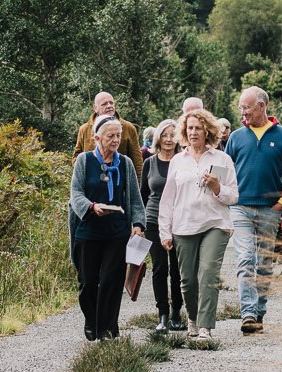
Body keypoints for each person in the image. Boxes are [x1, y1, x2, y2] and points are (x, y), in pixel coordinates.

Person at [226, 85, 282, 335]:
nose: (242, 112)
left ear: (261, 106)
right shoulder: (236, 137)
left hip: (270, 209)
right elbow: (226, 172)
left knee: (264, 263)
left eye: (245, 107)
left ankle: (260, 312)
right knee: (246, 259)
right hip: (240, 208)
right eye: (240, 108)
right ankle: (247, 313)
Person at [159, 107, 237, 339]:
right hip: (184, 226)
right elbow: (167, 200)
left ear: (208, 131)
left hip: (215, 223)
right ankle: (192, 317)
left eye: (198, 128)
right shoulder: (177, 161)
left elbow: (233, 196)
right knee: (188, 280)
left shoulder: (222, 159)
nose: (193, 132)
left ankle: (205, 326)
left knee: (208, 274)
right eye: (190, 128)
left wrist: (217, 187)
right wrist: (165, 231)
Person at [69, 115, 145, 341]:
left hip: (117, 231)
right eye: (110, 136)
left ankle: (108, 329)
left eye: (118, 136)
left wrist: (139, 224)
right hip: (88, 231)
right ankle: (92, 320)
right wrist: (92, 207)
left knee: (112, 281)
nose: (115, 140)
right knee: (88, 282)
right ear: (96, 138)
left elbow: (133, 198)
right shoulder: (84, 161)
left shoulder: (125, 163)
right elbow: (76, 194)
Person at [138, 119, 186, 333]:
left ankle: (177, 311)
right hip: (153, 220)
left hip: (179, 220)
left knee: (177, 269)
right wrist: (137, 223)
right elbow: (143, 195)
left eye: (173, 134)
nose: (169, 139)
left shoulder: (184, 161)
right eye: (165, 135)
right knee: (160, 268)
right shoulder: (149, 163)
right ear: (158, 137)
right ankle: (163, 315)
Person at [73, 90, 142, 162]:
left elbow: (137, 159)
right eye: (104, 104)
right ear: (95, 108)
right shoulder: (84, 129)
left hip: (118, 172)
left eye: (111, 103)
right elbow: (76, 156)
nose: (109, 106)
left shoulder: (128, 128)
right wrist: (84, 168)